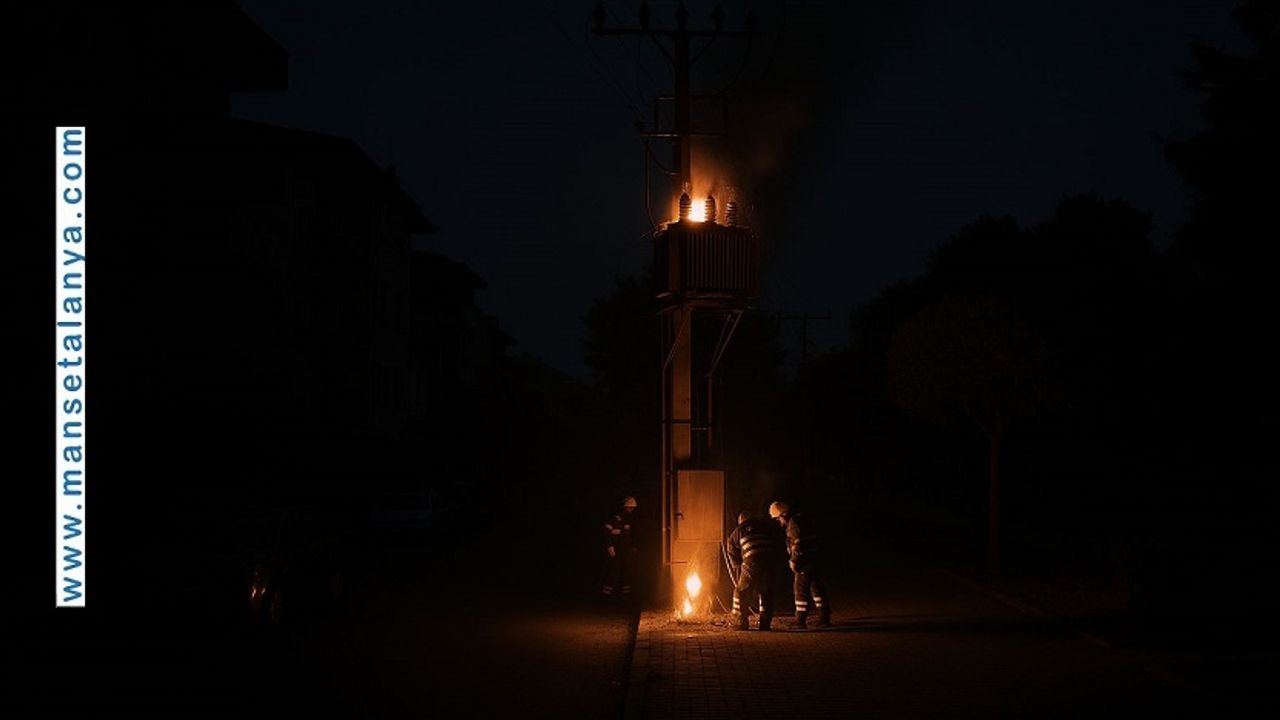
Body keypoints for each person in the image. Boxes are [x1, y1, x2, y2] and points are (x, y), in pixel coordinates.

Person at [769, 501, 831, 628]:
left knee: (800, 589)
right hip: (814, 558)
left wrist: (794, 561)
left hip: (804, 561)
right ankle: (824, 616)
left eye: (778, 519)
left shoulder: (793, 524)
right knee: (816, 586)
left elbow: (797, 545)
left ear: (783, 515)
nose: (779, 522)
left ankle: (800, 620)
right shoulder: (801, 519)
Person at [725, 510, 776, 630]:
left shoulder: (739, 530)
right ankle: (765, 624)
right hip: (768, 562)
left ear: (741, 521)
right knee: (765, 591)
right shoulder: (764, 527)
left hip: (751, 563)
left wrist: (737, 564)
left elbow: (731, 549)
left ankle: (740, 622)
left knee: (740, 591)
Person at [601, 496, 638, 597]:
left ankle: (624, 595)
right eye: (629, 508)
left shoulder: (629, 520)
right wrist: (610, 547)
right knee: (613, 571)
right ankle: (607, 595)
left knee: (625, 572)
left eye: (632, 508)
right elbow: (606, 534)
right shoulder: (613, 519)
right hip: (615, 551)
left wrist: (633, 548)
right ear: (624, 507)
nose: (631, 510)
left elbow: (631, 535)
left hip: (625, 552)